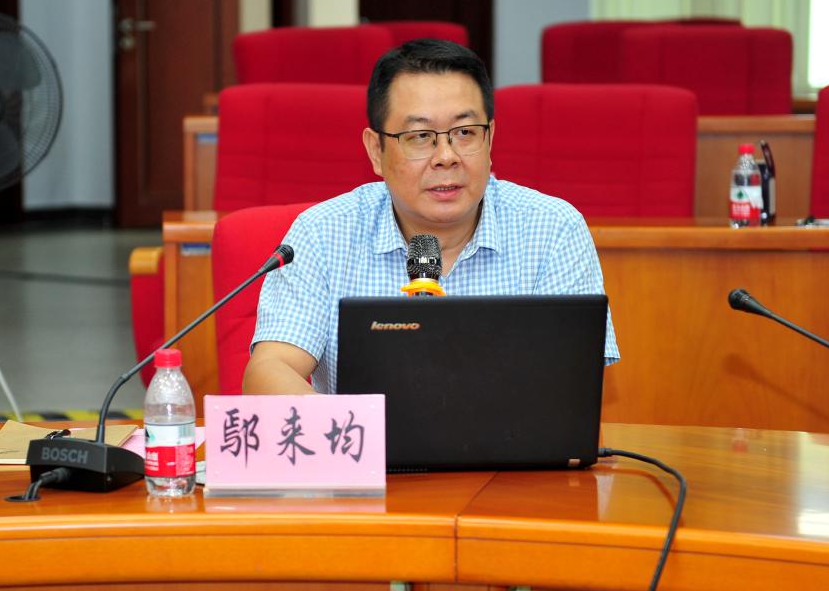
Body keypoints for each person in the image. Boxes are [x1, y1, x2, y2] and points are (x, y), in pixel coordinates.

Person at [243, 39, 619, 394]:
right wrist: (356, 429)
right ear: (376, 151)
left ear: (490, 139)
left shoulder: (553, 230)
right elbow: (270, 369)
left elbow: (572, 381)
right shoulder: (323, 234)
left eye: (465, 132)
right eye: (420, 136)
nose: (446, 156)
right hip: (366, 443)